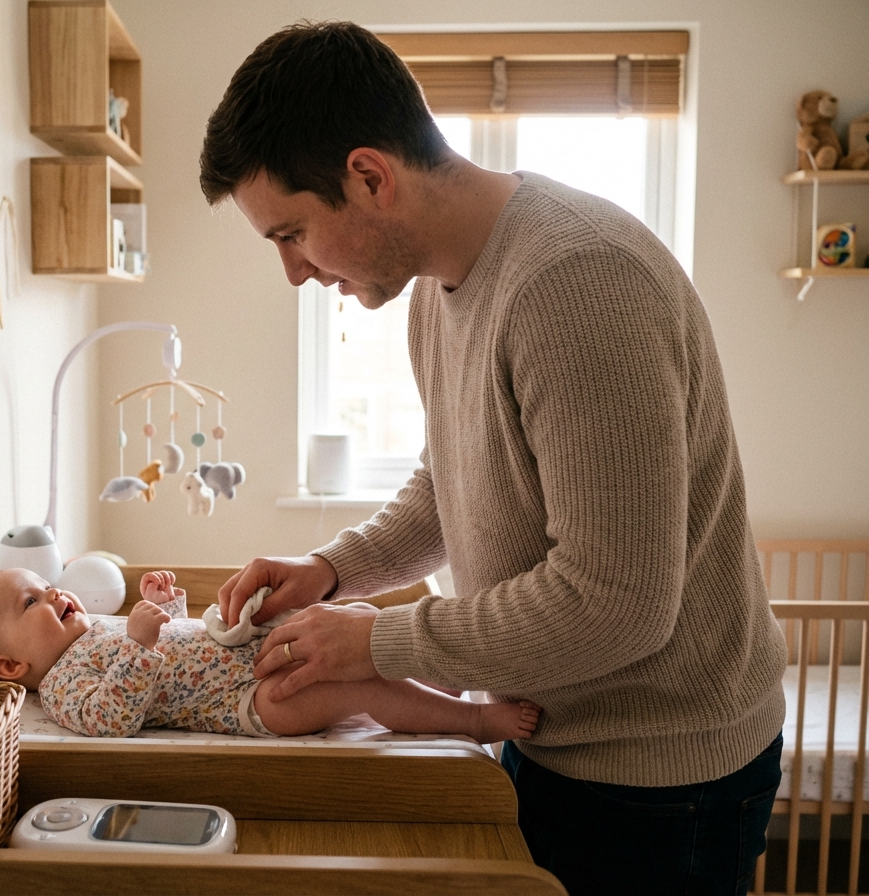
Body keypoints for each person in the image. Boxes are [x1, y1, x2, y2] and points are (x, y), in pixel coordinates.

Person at [199, 20, 787, 896]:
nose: (294, 272)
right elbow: (455, 486)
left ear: (369, 176)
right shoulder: (436, 297)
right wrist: (332, 570)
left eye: (290, 234)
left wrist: (382, 642)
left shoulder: (577, 283)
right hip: (553, 731)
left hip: (663, 779)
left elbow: (618, 604)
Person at [0, 566, 539, 742]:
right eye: (31, 603)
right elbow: (112, 719)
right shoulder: (63, 686)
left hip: (248, 656)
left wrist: (165, 607)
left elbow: (176, 646)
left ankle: (436, 690)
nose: (53, 593)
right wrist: (141, 644)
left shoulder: (95, 631)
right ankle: (476, 720)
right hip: (247, 702)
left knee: (354, 632)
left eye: (46, 583)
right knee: (358, 691)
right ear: (10, 667)